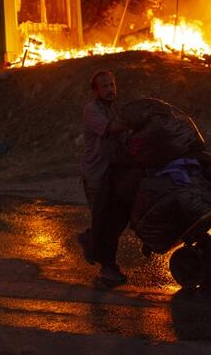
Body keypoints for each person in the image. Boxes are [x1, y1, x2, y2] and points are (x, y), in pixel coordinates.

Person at [78, 69, 137, 286]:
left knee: (115, 221)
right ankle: (107, 270)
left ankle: (90, 237)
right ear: (96, 91)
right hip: (97, 175)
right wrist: (139, 120)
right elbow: (112, 129)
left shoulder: (114, 109)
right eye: (105, 86)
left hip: (113, 174)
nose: (110, 89)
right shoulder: (92, 110)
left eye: (112, 85)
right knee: (106, 221)